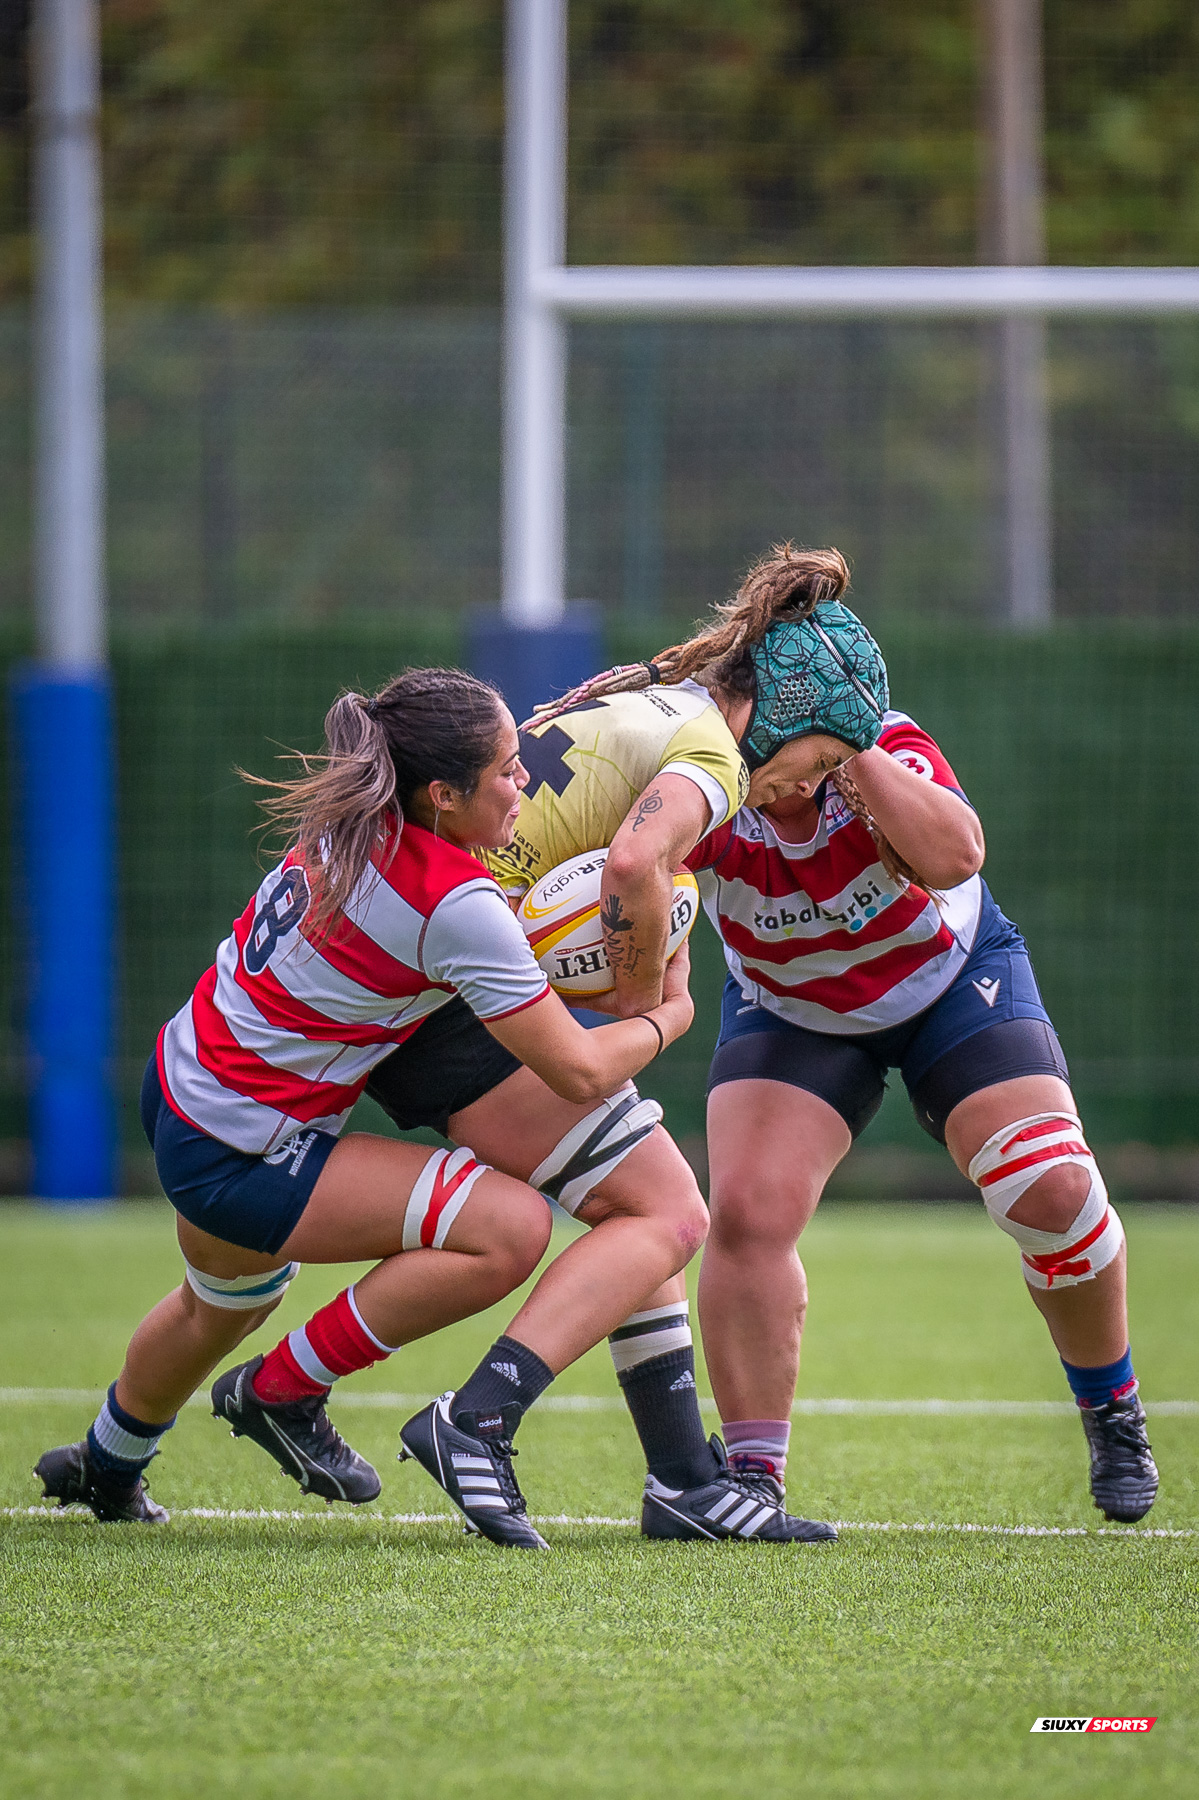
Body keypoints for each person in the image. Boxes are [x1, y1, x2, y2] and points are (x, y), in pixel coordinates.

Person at [33, 668, 700, 1538]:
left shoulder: (350, 818)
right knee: (509, 1231)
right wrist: (668, 1015)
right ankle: (282, 1390)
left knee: (221, 1303)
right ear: (441, 794)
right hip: (244, 1148)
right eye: (504, 770)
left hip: (182, 1086)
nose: (523, 782)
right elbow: (576, 1070)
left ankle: (109, 1463)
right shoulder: (451, 904)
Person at [584, 543, 1158, 1525]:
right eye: (792, 763)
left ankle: (1110, 1410)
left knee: (1050, 1186)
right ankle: (752, 1483)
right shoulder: (700, 775)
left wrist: (856, 762)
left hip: (949, 982)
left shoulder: (874, 750)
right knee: (751, 1214)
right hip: (790, 1009)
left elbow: (957, 855)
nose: (796, 788)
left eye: (819, 764)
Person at [283, 622, 839, 1542]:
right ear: (778, 717)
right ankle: (479, 1421)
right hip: (442, 988)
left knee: (636, 1202)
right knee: (669, 1213)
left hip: (423, 971)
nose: (811, 785)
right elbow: (631, 864)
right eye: (821, 757)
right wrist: (644, 1004)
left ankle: (683, 1482)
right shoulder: (715, 752)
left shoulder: (643, 700)